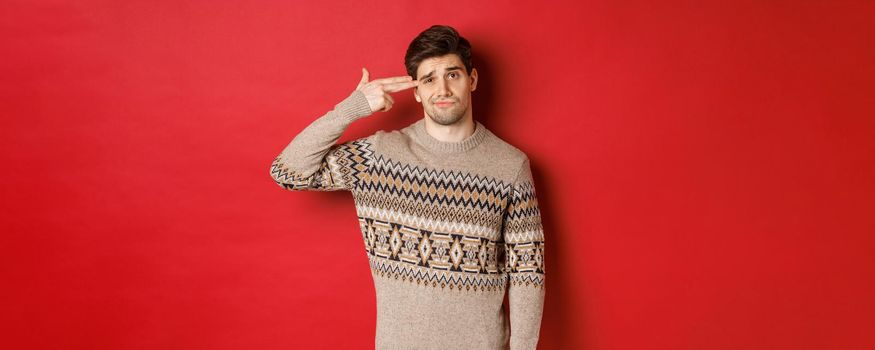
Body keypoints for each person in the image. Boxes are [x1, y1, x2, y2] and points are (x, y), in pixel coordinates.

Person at [269, 24, 545, 350]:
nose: (442, 88)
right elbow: (288, 171)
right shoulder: (380, 156)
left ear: (472, 80)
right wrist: (351, 108)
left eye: (452, 75)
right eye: (429, 79)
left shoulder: (510, 167)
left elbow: (528, 272)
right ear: (416, 91)